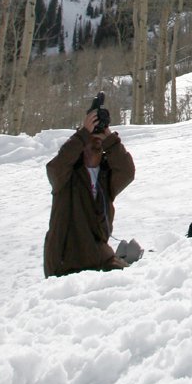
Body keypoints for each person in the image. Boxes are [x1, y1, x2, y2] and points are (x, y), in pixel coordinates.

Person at [43, 105, 137, 277]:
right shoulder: (67, 176)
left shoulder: (105, 176)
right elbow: (55, 167)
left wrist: (109, 137)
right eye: (90, 139)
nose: (95, 141)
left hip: (98, 256)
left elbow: (127, 172)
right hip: (66, 262)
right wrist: (83, 134)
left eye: (99, 140)